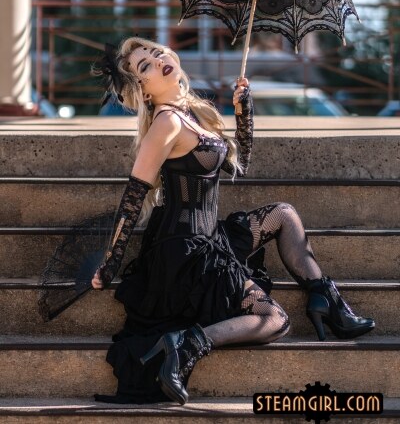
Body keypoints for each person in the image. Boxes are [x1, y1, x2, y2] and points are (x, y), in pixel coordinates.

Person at [92, 37, 374, 405]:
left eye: (157, 52)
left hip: (210, 237)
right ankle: (187, 343)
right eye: (145, 65)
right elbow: (134, 197)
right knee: (274, 319)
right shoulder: (166, 122)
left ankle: (328, 302)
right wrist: (111, 262)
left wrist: (244, 113)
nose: (158, 60)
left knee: (284, 214)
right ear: (142, 91)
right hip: (185, 252)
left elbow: (238, 165)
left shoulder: (190, 113)